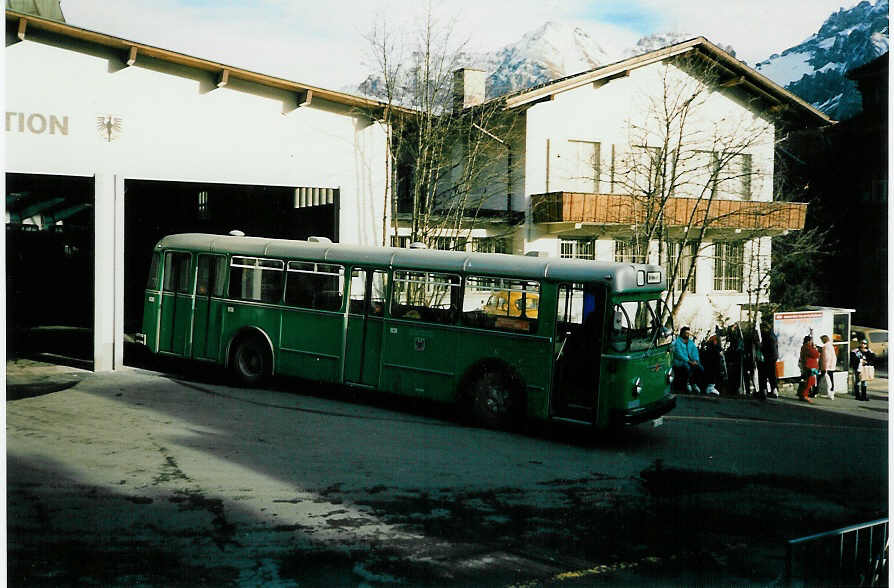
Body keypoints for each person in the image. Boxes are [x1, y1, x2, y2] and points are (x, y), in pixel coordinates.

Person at [673, 326, 704, 394]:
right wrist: (690, 361)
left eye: (688, 333)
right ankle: (688, 383)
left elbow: (694, 351)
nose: (687, 334)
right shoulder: (677, 342)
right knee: (687, 367)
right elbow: (679, 354)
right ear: (682, 333)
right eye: (686, 333)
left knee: (700, 368)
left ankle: (694, 383)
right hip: (681, 361)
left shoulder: (690, 342)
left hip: (691, 361)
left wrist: (696, 360)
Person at [698, 331, 724, 396]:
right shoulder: (715, 352)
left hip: (708, 369)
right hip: (711, 370)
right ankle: (710, 387)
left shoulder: (709, 351)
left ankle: (709, 387)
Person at [758, 323, 779, 398]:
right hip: (772, 358)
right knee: (772, 376)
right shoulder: (772, 335)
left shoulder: (768, 337)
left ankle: (765, 391)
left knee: (765, 375)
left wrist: (761, 347)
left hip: (768, 358)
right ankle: (773, 391)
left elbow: (768, 348)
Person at [797, 335, 820, 403]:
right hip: (810, 367)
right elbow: (816, 354)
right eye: (811, 341)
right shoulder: (808, 347)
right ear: (808, 341)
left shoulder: (804, 347)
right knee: (810, 381)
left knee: (806, 380)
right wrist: (815, 348)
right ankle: (804, 395)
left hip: (808, 366)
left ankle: (801, 394)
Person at [818, 334, 837, 399]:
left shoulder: (825, 347)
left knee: (822, 378)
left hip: (826, 366)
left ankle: (820, 391)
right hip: (832, 365)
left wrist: (825, 367)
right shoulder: (830, 346)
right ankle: (832, 392)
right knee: (831, 379)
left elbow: (826, 357)